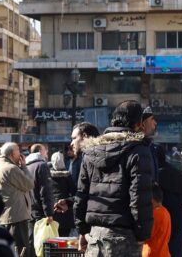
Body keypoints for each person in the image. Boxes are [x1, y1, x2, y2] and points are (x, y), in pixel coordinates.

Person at [75, 100, 154, 255]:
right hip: (125, 238)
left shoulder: (91, 151)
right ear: (138, 124)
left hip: (95, 236)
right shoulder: (138, 151)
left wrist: (82, 230)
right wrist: (143, 234)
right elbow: (139, 197)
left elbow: (81, 195)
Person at [0, 142, 34, 256]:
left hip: (4, 216)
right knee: (22, 249)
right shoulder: (11, 168)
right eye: (18, 151)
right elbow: (30, 184)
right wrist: (24, 167)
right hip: (17, 216)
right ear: (12, 153)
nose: (20, 154)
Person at [26, 143, 55, 255]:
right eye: (45, 151)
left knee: (31, 241)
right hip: (40, 211)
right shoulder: (42, 165)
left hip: (29, 209)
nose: (47, 153)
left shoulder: (26, 166)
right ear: (40, 152)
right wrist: (49, 212)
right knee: (42, 243)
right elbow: (45, 190)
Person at [50, 151, 76, 237]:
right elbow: (75, 194)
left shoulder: (47, 176)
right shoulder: (68, 176)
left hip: (52, 211)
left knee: (53, 240)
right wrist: (67, 201)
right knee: (64, 239)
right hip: (65, 211)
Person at [143, 184, 171, 257]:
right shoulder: (166, 212)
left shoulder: (155, 214)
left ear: (151, 199)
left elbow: (145, 235)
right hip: (164, 253)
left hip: (152, 253)